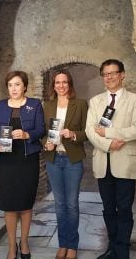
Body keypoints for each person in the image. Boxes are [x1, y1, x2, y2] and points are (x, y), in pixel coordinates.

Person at [85, 59, 136, 259]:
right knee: (108, 208)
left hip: (125, 163)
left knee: (125, 209)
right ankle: (112, 248)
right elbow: (90, 131)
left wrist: (109, 132)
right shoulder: (95, 101)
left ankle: (122, 251)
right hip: (103, 163)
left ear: (122, 74)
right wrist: (109, 144)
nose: (109, 77)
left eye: (113, 73)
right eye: (105, 74)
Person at [0, 71, 45, 259]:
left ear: (25, 86)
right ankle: (12, 246)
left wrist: (27, 135)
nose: (14, 88)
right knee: (10, 205)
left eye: (17, 84)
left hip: (27, 159)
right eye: (10, 85)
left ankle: (24, 242)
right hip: (6, 161)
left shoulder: (34, 104)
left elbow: (41, 129)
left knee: (26, 204)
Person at [42, 70, 88, 259]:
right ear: (53, 85)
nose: (61, 86)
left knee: (72, 204)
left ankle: (73, 245)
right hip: (54, 159)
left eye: (65, 82)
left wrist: (74, 134)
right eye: (57, 82)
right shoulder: (48, 105)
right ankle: (63, 244)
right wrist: (46, 142)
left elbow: (87, 132)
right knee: (59, 204)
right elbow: (42, 132)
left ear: (70, 84)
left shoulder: (81, 104)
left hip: (72, 159)